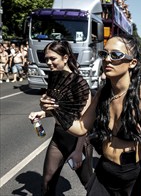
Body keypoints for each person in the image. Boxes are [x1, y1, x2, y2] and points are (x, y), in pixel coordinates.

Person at [38, 35, 141, 195]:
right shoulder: (102, 94)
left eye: (116, 55)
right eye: (104, 54)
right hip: (105, 173)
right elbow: (81, 127)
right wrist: (54, 109)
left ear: (132, 62)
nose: (107, 60)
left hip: (134, 176)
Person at [28, 41, 93, 196]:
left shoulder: (79, 84)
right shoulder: (56, 81)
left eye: (53, 58)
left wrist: (78, 150)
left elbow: (84, 121)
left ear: (65, 57)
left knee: (89, 183)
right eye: (46, 59)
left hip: (78, 140)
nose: (48, 62)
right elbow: (61, 111)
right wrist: (43, 113)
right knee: (47, 183)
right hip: (58, 137)